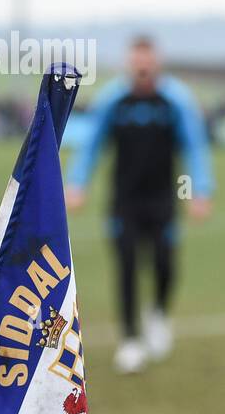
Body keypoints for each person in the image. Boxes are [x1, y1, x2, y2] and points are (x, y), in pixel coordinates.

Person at [66, 36, 214, 373]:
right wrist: (77, 184)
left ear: (157, 63)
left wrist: (201, 190)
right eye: (137, 61)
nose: (142, 67)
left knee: (164, 262)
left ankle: (159, 313)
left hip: (163, 201)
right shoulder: (113, 100)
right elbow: (91, 145)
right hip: (124, 202)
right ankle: (130, 340)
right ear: (129, 63)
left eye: (148, 61)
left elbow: (194, 147)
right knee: (127, 265)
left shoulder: (174, 101)